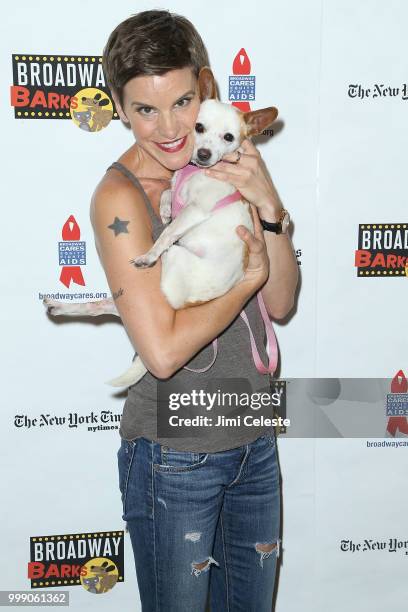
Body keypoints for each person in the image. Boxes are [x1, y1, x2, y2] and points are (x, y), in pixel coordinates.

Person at [91, 9, 299, 611]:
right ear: (120, 110)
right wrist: (246, 280)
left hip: (255, 438)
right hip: (176, 458)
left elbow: (281, 302)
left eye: (182, 102)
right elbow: (161, 352)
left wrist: (266, 200)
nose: (169, 128)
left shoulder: (228, 158)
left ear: (205, 87)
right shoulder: (120, 197)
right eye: (145, 110)